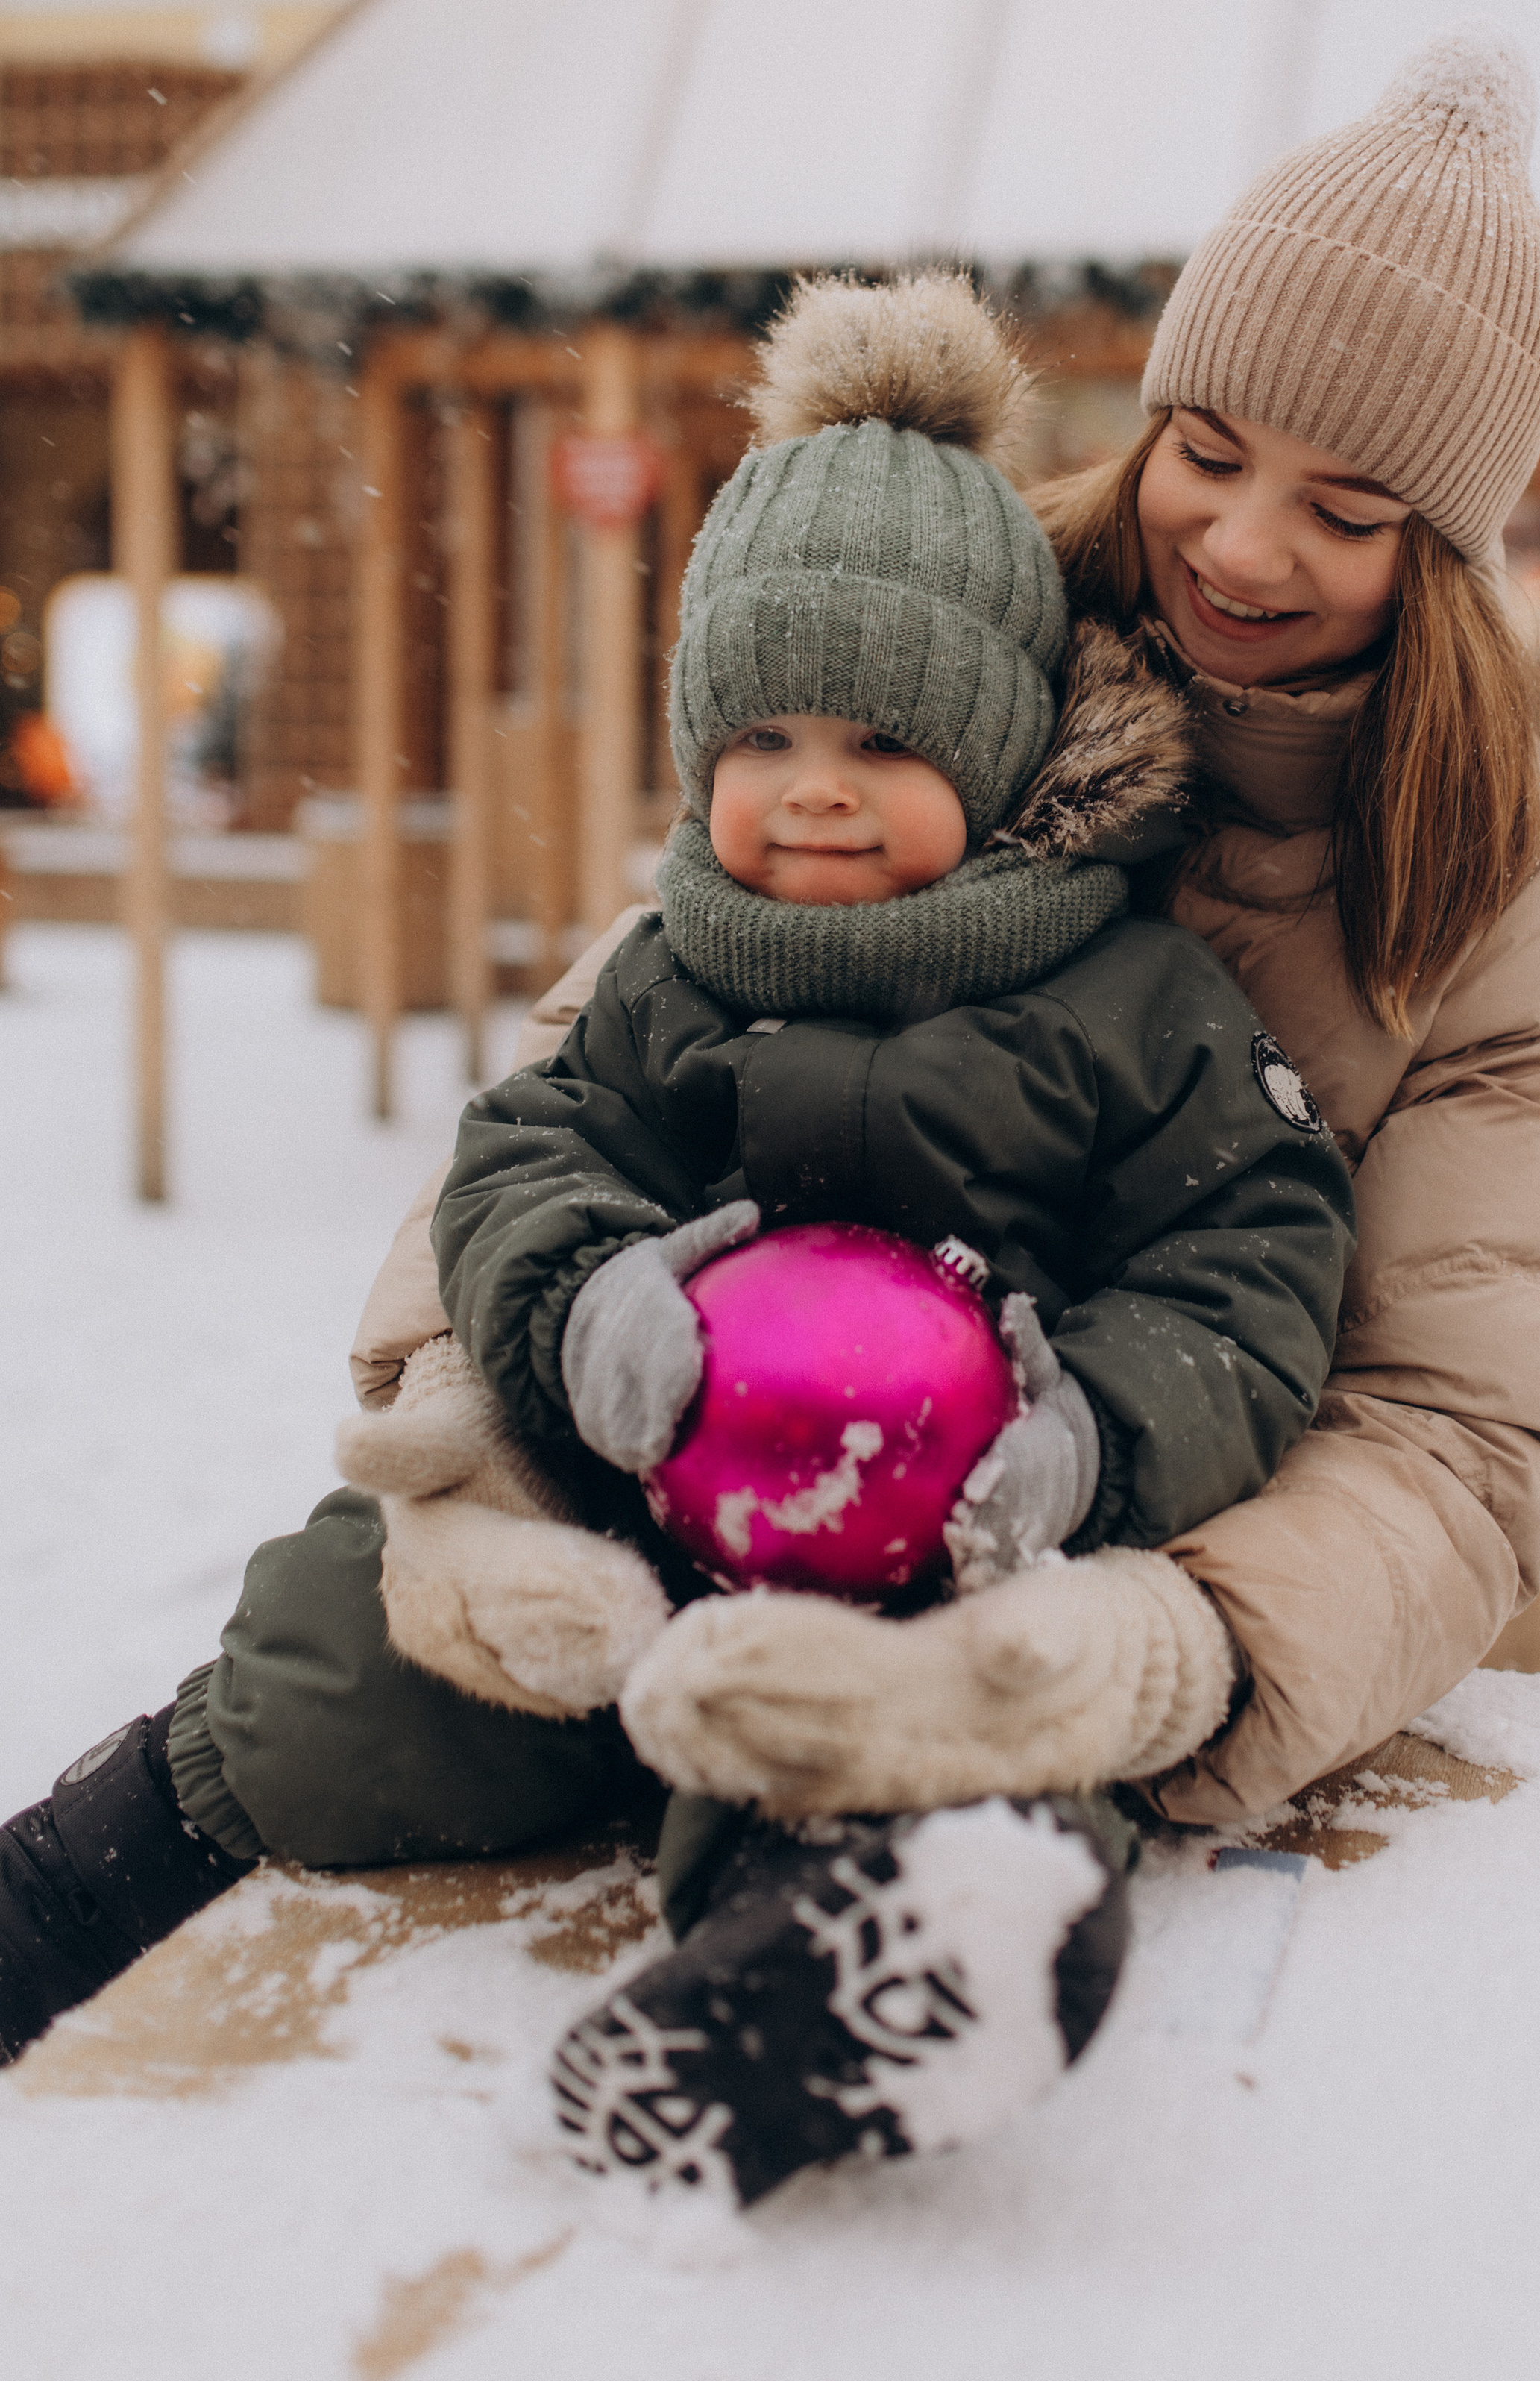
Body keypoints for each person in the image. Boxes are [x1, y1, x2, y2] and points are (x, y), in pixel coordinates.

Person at [0, 275, 1354, 2208]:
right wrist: (579, 1304)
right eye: (767, 730)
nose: (814, 783)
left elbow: (1253, 1251)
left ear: (994, 755)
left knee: (936, 1736)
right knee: (343, 1637)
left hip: (945, 1523)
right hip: (638, 1489)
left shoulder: (1127, 999)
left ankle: (845, 1979)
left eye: (884, 739)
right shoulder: (671, 973)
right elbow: (534, 1148)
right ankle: (79, 1878)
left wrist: (1098, 1440)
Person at [613, 22, 1540, 1835]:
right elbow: (622, 1032)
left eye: (1341, 509)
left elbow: (1460, 1424)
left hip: (1140, 1558)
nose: (1242, 548)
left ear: (1446, 553)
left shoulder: (1523, 883)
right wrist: (505, 1393)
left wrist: (1167, 1650)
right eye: (1206, 451)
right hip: (727, 1450)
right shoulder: (970, 628)